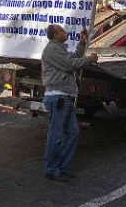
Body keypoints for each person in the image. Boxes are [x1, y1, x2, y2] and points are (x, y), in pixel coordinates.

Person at [41, 25, 99, 182]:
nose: (65, 33)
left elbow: (73, 58)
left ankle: (61, 168)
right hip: (58, 97)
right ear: (55, 35)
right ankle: (52, 169)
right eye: (62, 31)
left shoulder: (59, 48)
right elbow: (71, 64)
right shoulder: (52, 49)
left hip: (65, 97)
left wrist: (82, 42)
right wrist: (89, 59)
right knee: (56, 136)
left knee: (73, 132)